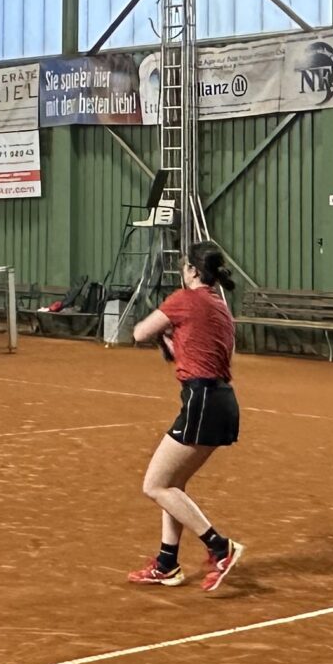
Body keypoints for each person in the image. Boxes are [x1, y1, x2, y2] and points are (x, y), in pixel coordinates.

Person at [126, 243, 246, 591]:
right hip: (222, 401)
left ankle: (219, 547)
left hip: (202, 400)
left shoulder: (184, 299)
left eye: (184, 267)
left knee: (155, 485)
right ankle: (167, 563)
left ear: (193, 271)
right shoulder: (219, 306)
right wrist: (171, 341)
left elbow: (138, 333)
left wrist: (160, 329)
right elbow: (197, 350)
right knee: (172, 484)